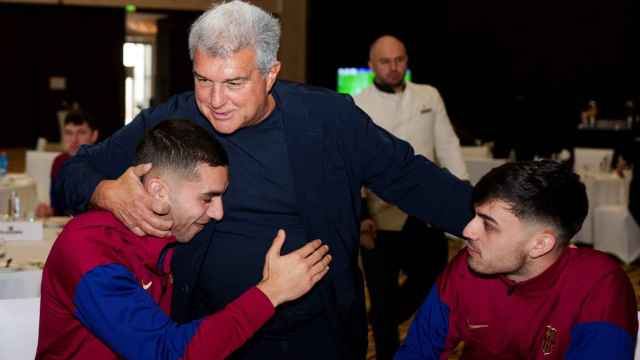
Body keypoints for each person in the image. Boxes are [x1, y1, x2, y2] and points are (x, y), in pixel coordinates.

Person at [53, 2, 473, 358]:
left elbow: (410, 177)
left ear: (270, 73)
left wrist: (482, 222)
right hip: (209, 333)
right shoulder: (175, 118)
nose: (215, 101)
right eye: (204, 80)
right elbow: (72, 174)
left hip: (319, 332)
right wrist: (105, 191)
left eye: (234, 82)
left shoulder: (328, 119)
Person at [37, 119, 332, 359]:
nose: (218, 212)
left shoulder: (169, 238)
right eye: (208, 198)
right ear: (159, 191)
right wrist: (271, 292)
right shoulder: (90, 250)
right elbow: (166, 352)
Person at [396, 160, 638, 359]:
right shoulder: (469, 265)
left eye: (488, 224)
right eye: (475, 215)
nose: (467, 230)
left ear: (540, 244)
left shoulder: (600, 286)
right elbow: (417, 352)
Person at [354, 35, 469, 360]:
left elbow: (447, 143)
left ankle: (382, 317)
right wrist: (360, 212)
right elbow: (351, 161)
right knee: (380, 289)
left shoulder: (428, 94)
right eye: (385, 61)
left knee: (434, 275)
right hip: (379, 212)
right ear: (371, 65)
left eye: (399, 60)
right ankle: (388, 347)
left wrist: (462, 193)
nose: (394, 68)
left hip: (426, 207)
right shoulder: (357, 102)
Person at [35, 109, 99, 217]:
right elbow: (57, 209)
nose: (74, 140)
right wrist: (47, 211)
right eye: (69, 133)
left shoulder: (103, 164)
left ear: (94, 136)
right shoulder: (59, 162)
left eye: (81, 133)